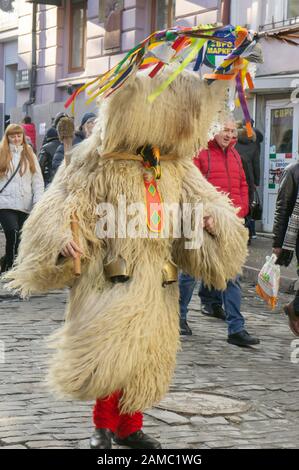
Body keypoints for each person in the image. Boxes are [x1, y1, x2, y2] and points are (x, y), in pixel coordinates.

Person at [4, 61, 248, 448]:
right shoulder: (95, 158)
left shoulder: (176, 167)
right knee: (110, 350)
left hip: (157, 276)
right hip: (109, 270)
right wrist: (62, 235)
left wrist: (213, 222)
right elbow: (61, 202)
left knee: (146, 354)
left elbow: (210, 202)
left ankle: (130, 426)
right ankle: (102, 425)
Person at [179, 120, 260, 347]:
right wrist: (204, 216)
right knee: (189, 273)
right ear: (214, 130)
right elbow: (190, 187)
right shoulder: (200, 153)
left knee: (233, 274)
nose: (229, 134)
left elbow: (244, 185)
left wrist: (240, 211)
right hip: (199, 220)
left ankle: (236, 328)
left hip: (227, 222)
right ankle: (179, 318)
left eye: (232, 131)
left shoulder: (235, 155)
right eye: (225, 130)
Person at [0, 124, 44, 273]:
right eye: (13, 136)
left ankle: (9, 264)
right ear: (7, 137)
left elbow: (37, 180)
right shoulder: (2, 153)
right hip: (5, 203)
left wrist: (38, 201)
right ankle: (11, 270)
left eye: (19, 135)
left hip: (25, 203)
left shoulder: (29, 153)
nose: (16, 138)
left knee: (20, 237)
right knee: (12, 232)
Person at [272, 161, 299, 336]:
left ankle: (295, 307)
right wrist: (277, 243)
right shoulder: (292, 171)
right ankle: (295, 308)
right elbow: (282, 209)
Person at [235, 122, 262, 241]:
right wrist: (256, 181)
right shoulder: (253, 145)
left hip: (235, 178)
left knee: (235, 206)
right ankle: (247, 236)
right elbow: (256, 165)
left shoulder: (233, 143)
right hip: (249, 180)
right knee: (247, 207)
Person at [51, 112, 96, 177]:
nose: (93, 125)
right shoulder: (71, 142)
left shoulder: (97, 144)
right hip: (73, 183)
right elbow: (57, 167)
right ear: (83, 126)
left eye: (95, 122)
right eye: (90, 122)